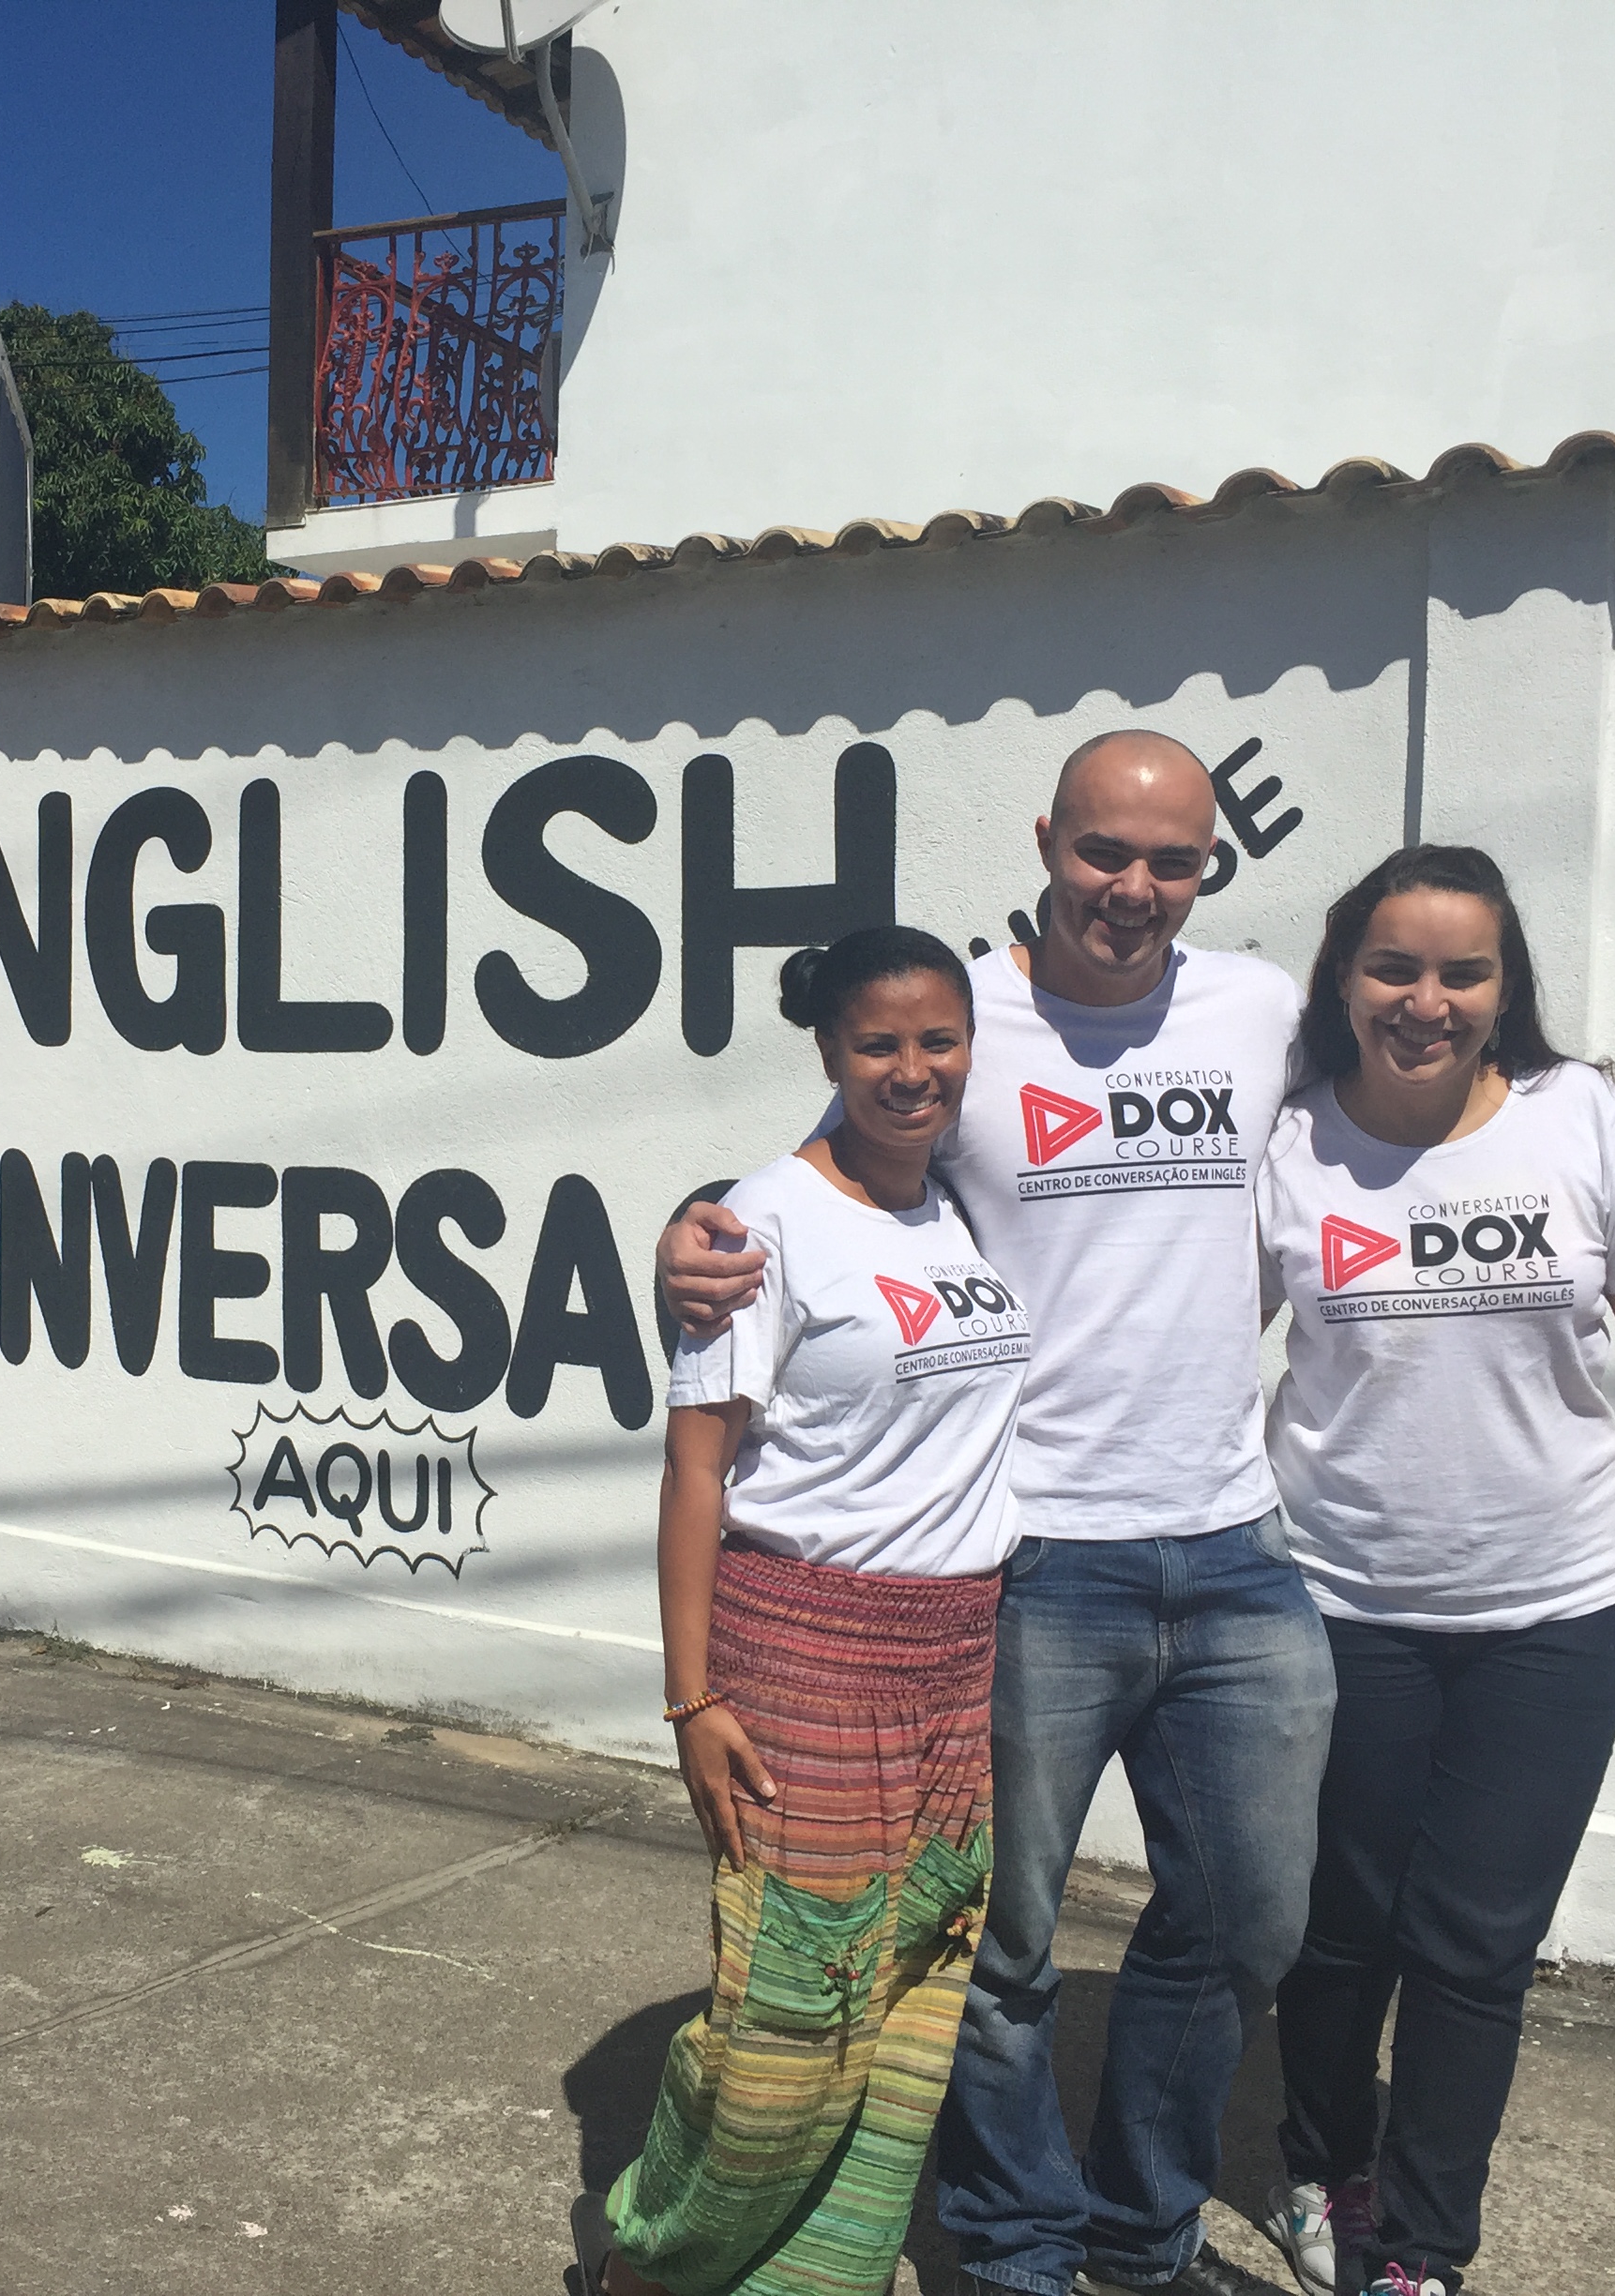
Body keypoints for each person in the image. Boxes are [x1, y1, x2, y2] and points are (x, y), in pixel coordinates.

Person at [657, 733, 1615, 2296]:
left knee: (1248, 1921)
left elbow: (1437, 1075)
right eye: (1103, 851)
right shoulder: (967, 1018)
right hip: (1033, 1556)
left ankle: (1140, 2236)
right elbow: (837, 1165)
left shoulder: (1258, 1009)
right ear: (1046, 841)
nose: (1133, 888)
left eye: (1172, 860)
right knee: (1002, 1943)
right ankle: (1018, 2246)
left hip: (1237, 1549)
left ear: (1210, 867)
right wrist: (691, 1228)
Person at [1251, 845, 1615, 2296]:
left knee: (1475, 1947)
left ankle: (1424, 2250)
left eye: (1463, 973)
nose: (1428, 1000)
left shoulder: (1581, 1119)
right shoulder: (1286, 1147)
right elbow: (1186, 1328)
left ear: (1504, 986)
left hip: (1555, 1611)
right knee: (1341, 1931)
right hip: (1343, 1603)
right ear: (1345, 977)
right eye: (1394, 967)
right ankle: (1325, 2163)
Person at [599, 926, 1031, 2296]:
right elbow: (696, 1473)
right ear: (830, 1056)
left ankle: (812, 2281)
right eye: (877, 1045)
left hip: (952, 1665)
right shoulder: (760, 1228)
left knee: (905, 2009)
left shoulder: (959, 1206)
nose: (913, 1070)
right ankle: (654, 2265)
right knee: (786, 2020)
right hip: (804, 1657)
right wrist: (691, 1698)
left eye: (939, 1041)